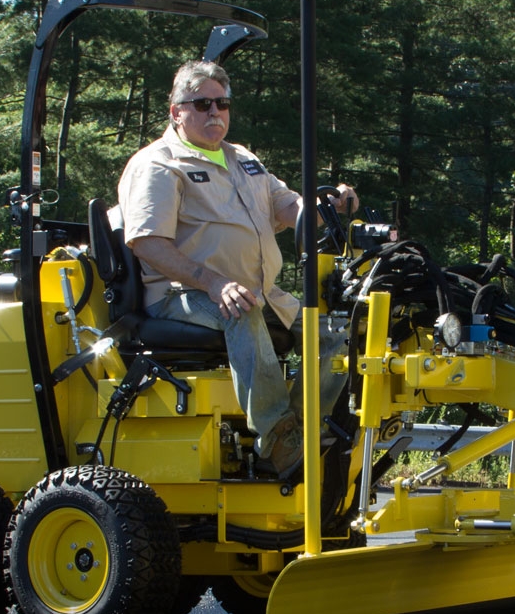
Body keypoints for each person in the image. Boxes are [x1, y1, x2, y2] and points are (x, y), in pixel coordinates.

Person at [117, 59, 356, 476]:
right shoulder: (158, 164)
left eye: (222, 104)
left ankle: (306, 432)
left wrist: (327, 206)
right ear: (176, 112)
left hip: (256, 292)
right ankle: (278, 441)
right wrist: (213, 282)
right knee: (239, 308)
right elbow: (147, 242)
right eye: (203, 104)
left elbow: (287, 208)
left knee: (336, 331)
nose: (215, 113)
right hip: (183, 296)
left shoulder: (243, 158)